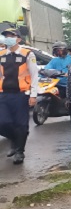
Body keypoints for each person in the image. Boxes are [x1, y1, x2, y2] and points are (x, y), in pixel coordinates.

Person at [0, 28, 38, 164]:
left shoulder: (27, 54)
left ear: (18, 39)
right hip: (4, 94)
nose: (8, 38)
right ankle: (15, 140)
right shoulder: (1, 54)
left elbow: (34, 75)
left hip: (21, 94)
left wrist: (34, 95)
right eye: (6, 36)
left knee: (21, 124)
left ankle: (19, 151)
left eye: (11, 35)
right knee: (3, 122)